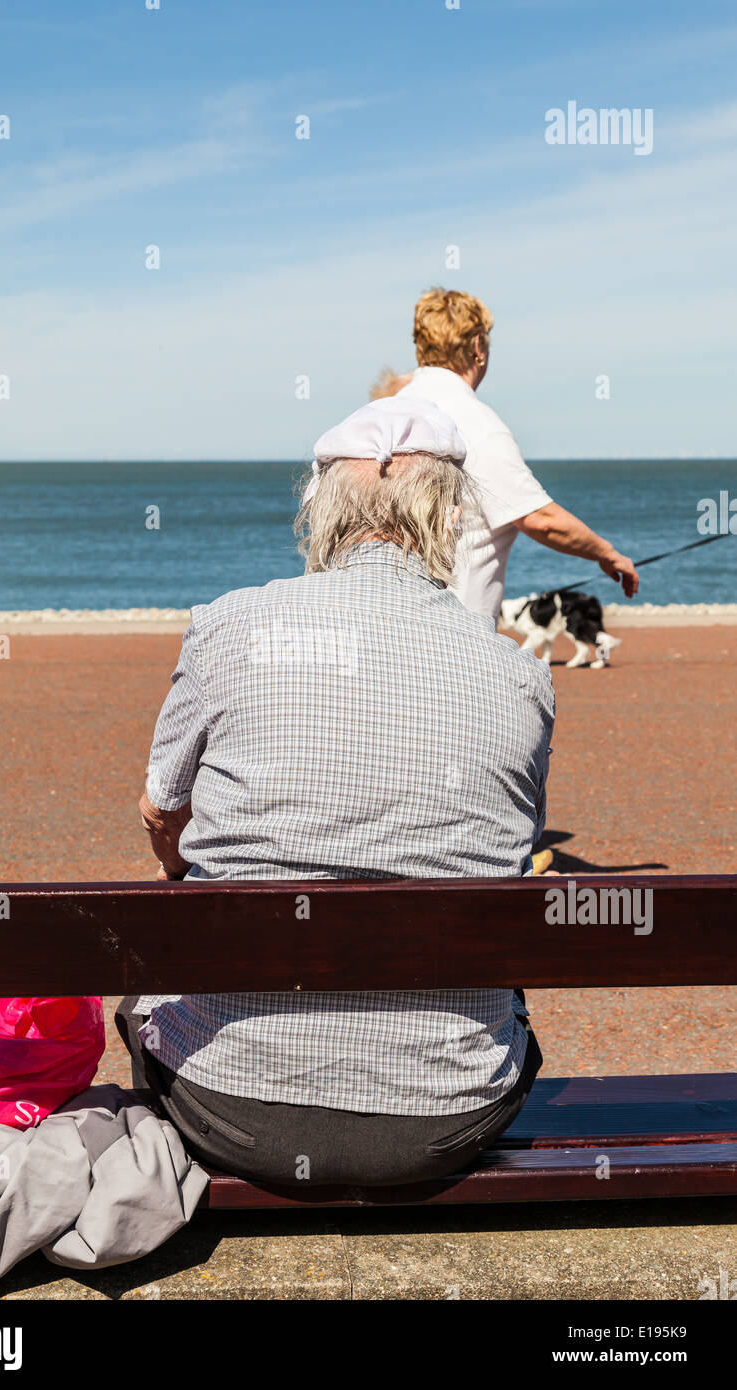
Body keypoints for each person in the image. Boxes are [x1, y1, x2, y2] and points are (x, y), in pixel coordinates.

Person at [116, 396, 554, 1189]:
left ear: (321, 513)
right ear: (449, 518)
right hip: (446, 1117)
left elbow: (160, 811)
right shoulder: (520, 675)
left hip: (229, 1105)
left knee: (152, 965)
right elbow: (506, 851)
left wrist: (179, 863)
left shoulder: (229, 625)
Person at [375, 288, 641, 621]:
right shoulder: (474, 422)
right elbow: (539, 520)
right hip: (456, 637)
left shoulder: (380, 414)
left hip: (384, 627)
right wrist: (607, 554)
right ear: (477, 347)